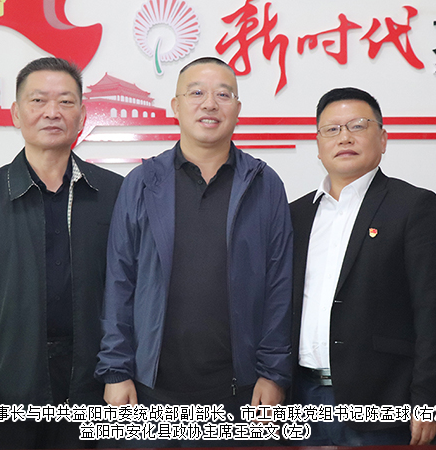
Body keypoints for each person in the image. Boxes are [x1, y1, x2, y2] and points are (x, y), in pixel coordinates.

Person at [94, 57, 293, 444]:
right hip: (149, 391)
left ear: (238, 108)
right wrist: (116, 371)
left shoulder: (264, 184)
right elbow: (119, 282)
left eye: (223, 95)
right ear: (176, 105)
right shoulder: (142, 182)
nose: (210, 104)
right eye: (197, 93)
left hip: (241, 394)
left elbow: (279, 286)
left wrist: (273, 374)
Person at [0, 57, 123, 449]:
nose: (52, 112)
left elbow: (134, 293)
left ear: (82, 116)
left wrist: (121, 373)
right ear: (16, 114)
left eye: (66, 102)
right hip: (4, 390)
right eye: (38, 100)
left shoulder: (116, 194)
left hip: (94, 388)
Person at [290, 87, 436, 446]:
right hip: (300, 399)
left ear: (382, 139)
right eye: (331, 129)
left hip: (382, 401)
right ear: (318, 145)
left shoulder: (413, 206)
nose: (344, 137)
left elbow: (433, 311)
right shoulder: (295, 215)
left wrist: (428, 399)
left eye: (357, 126)